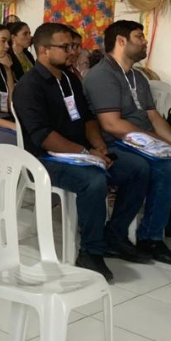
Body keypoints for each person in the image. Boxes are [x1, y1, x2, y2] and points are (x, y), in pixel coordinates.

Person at [13, 23, 152, 279]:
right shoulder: (28, 86)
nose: (72, 52)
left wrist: (98, 145)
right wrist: (87, 152)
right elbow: (43, 137)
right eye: (65, 47)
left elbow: (88, 118)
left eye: (73, 46)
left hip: (81, 153)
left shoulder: (69, 79)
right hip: (44, 160)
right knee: (93, 180)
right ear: (43, 50)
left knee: (138, 168)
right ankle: (90, 251)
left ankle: (115, 235)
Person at [82, 20, 171, 265]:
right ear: (121, 41)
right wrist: (162, 144)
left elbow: (153, 116)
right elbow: (112, 125)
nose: (145, 42)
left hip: (143, 140)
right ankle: (150, 237)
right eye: (139, 36)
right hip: (116, 142)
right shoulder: (102, 75)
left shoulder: (137, 76)